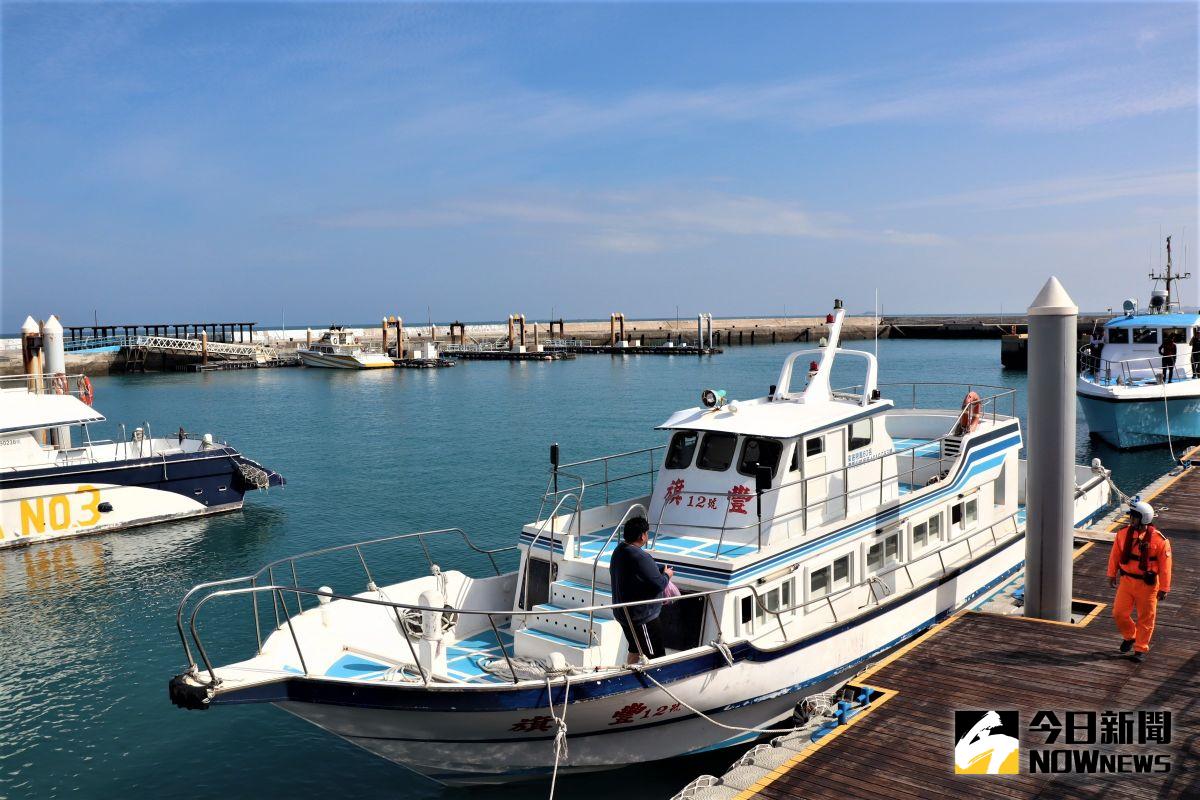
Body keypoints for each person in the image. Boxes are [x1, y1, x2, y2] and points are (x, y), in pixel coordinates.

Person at [1107, 500, 1173, 663]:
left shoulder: (1160, 540)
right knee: (1119, 613)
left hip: (1148, 585)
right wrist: (1111, 574)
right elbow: (1115, 555)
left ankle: (1140, 648)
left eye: (1134, 517)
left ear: (1143, 518)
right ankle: (1130, 636)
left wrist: (1164, 588)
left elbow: (1166, 567)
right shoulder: (1122, 534)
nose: (1131, 520)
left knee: (1146, 618)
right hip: (1127, 581)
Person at [609, 516, 673, 664]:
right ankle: (652, 684)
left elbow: (636, 573)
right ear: (642, 535)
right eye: (647, 533)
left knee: (636, 649)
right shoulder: (640, 556)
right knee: (654, 656)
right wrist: (667, 575)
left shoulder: (619, 551)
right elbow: (658, 584)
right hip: (642, 619)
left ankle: (625, 678)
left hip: (623, 614)